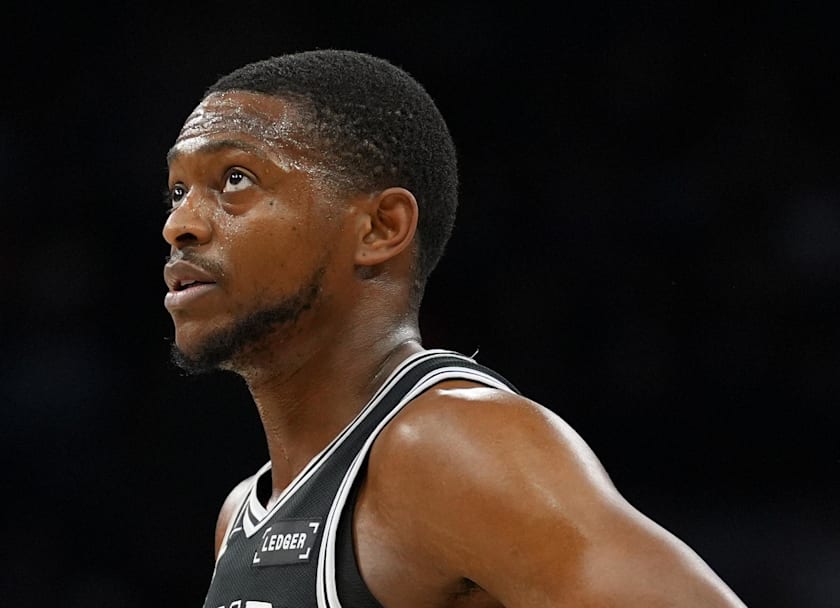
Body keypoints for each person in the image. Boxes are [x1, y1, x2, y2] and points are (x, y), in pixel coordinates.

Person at [161, 49, 746, 608]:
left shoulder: (450, 445)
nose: (179, 225)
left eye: (235, 179)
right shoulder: (242, 512)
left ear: (380, 228)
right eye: (179, 190)